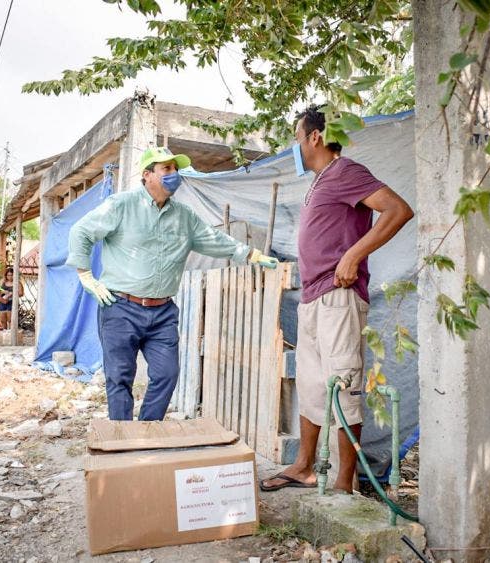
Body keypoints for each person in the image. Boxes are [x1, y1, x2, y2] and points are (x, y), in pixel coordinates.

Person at [260, 105, 414, 494]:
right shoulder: (320, 181)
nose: (296, 145)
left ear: (314, 137)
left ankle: (346, 483)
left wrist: (353, 255)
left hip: (338, 298)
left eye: (297, 138)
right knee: (312, 387)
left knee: (343, 387)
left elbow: (398, 210)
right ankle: (304, 466)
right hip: (314, 298)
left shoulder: (346, 172)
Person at [68, 146, 279, 421]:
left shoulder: (184, 216)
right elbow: (80, 231)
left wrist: (252, 254)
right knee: (119, 378)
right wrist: (85, 275)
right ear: (147, 175)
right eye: (166, 169)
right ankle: (122, 442)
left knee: (167, 374)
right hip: (120, 307)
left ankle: (147, 431)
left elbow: (215, 241)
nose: (174, 174)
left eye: (175, 169)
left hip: (162, 312)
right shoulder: (122, 205)